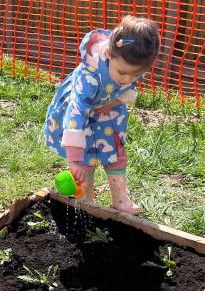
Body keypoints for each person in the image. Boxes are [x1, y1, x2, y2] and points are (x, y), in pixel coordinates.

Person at [44, 16, 161, 214]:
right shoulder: (89, 77)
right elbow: (76, 115)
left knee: (116, 154)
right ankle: (86, 198)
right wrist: (74, 160)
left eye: (135, 74)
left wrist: (114, 102)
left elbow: (131, 85)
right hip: (82, 117)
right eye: (123, 73)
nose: (127, 80)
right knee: (85, 162)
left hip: (110, 114)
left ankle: (120, 199)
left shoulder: (133, 61)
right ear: (108, 53)